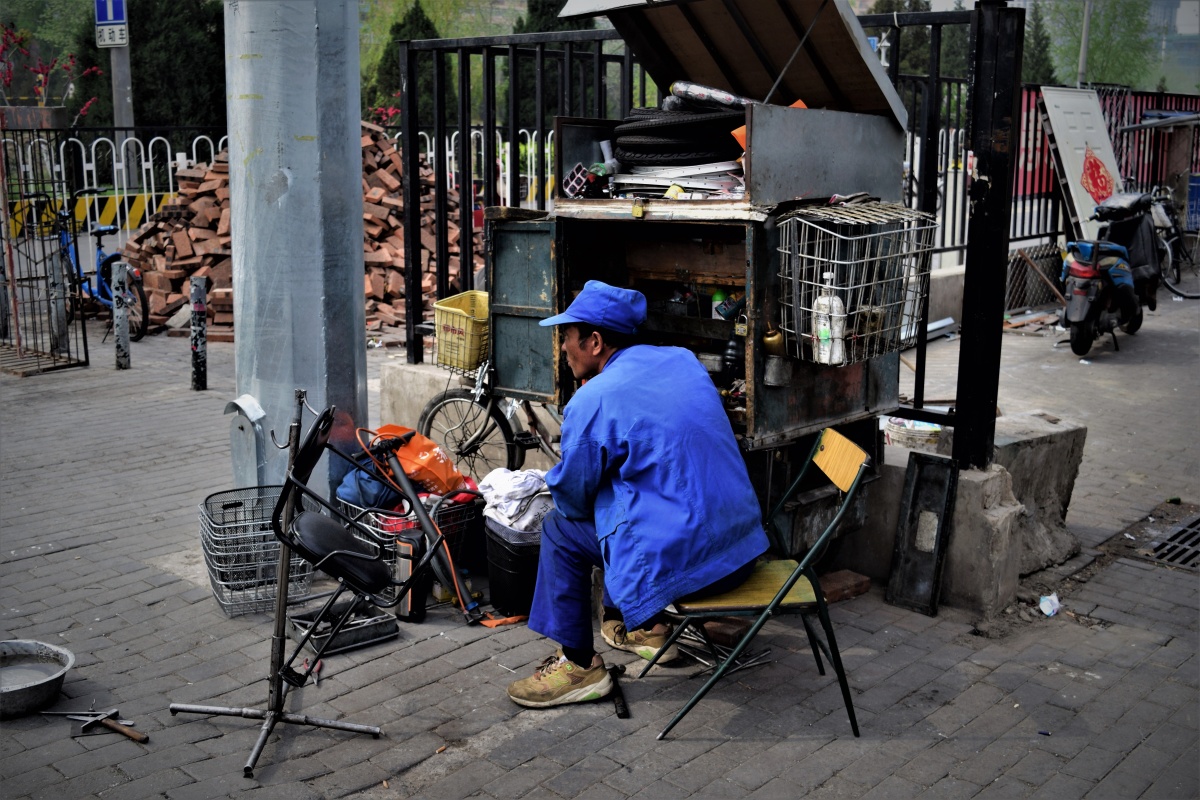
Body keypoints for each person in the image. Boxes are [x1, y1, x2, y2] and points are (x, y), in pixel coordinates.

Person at [507, 280, 769, 709]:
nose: (563, 349)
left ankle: (579, 666)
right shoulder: (682, 361)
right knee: (624, 499)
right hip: (743, 550)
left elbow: (572, 501)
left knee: (559, 528)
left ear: (594, 341)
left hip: (696, 569)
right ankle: (645, 626)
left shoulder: (593, 399)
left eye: (567, 338)